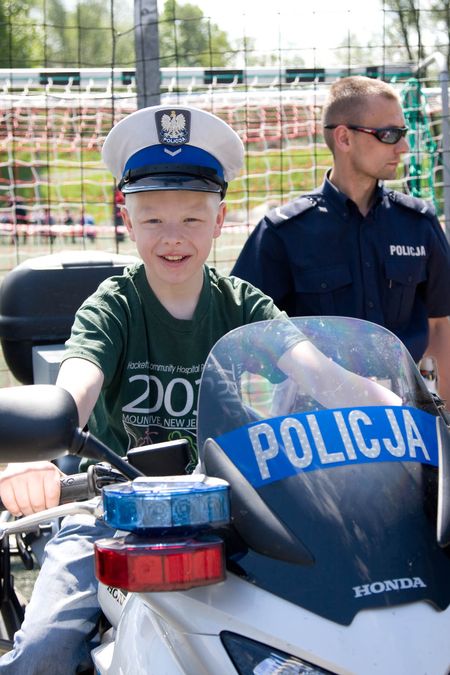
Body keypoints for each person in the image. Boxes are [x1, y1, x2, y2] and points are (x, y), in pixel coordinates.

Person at [0, 104, 399, 674]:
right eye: (153, 219)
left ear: (219, 220)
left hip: (229, 516)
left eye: (191, 218)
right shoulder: (113, 307)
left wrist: (404, 415)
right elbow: (77, 386)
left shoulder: (243, 306)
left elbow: (321, 375)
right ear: (127, 220)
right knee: (45, 648)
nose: (173, 238)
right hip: (113, 514)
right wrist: (38, 450)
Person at [232, 76, 450, 405]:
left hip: (403, 408)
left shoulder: (418, 223)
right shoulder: (284, 232)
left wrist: (444, 419)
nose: (403, 147)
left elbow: (440, 327)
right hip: (312, 413)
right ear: (344, 138)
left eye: (402, 133)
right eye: (389, 134)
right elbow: (241, 330)